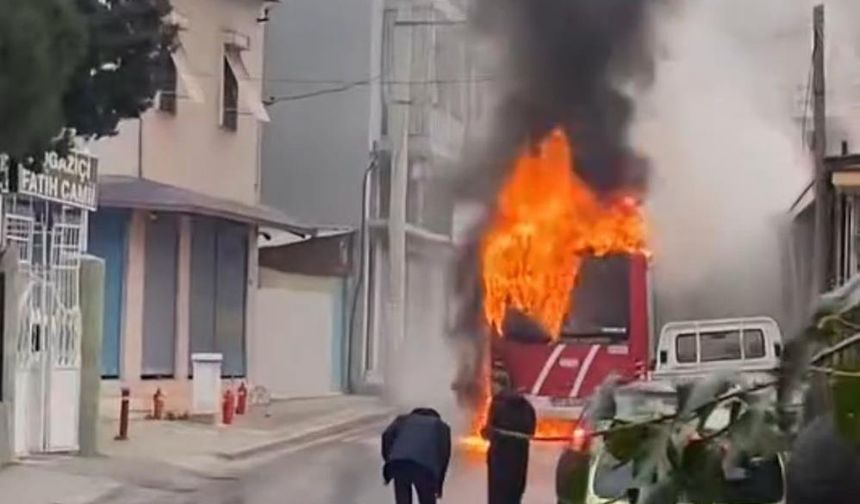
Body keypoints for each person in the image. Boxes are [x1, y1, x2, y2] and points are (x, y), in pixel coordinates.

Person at [382, 408, 452, 504]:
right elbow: (444, 457)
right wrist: (439, 485)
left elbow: (386, 436)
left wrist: (389, 460)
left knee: (403, 500)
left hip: (399, 465)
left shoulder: (402, 419)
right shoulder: (440, 426)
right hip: (425, 469)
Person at [483, 381, 537, 504]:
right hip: (519, 457)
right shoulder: (527, 406)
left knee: (498, 495)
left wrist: (486, 433)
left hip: (499, 456)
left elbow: (491, 428)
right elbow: (531, 431)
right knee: (514, 493)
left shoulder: (498, 403)